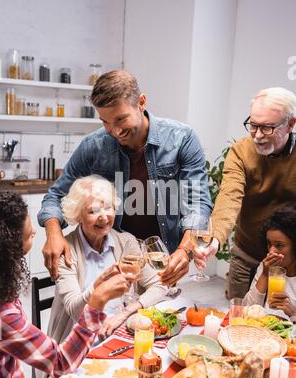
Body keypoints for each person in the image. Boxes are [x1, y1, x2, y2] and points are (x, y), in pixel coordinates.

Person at [38, 70, 212, 285]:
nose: (114, 131)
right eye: (105, 122)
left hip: (165, 259)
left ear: (141, 102)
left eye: (121, 119)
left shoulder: (182, 139)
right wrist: (53, 233)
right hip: (113, 262)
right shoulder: (93, 146)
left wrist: (185, 251)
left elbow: (198, 202)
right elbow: (56, 196)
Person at [0, 191, 128, 378]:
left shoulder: (0, 283)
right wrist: (96, 304)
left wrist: (95, 289)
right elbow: (61, 362)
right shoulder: (2, 317)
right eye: (29, 236)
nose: (36, 233)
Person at [194, 87, 296, 298]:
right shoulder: (241, 151)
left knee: (281, 324)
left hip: (288, 262)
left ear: (290, 125)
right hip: (246, 255)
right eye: (253, 125)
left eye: (267, 128)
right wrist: (215, 239)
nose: (257, 136)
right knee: (238, 318)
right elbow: (229, 197)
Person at [47, 175, 167, 344]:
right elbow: (75, 311)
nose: (103, 217)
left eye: (108, 208)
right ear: (78, 215)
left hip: (121, 334)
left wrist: (125, 313)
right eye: (93, 211)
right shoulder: (66, 250)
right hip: (76, 345)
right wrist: (99, 286)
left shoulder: (127, 242)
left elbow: (160, 284)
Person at [243, 205, 296, 322]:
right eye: (269, 244)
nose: (271, 251)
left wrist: (293, 313)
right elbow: (246, 310)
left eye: (279, 245)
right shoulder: (266, 267)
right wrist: (265, 275)